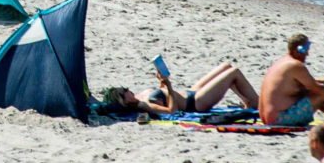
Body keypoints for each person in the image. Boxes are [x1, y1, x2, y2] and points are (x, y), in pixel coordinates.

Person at [258, 34, 324, 127]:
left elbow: (300, 83)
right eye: (306, 49)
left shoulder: (282, 62)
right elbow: (320, 90)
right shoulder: (296, 65)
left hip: (266, 117)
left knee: (313, 95)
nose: (307, 54)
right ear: (298, 50)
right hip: (279, 119)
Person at [100, 60, 258, 117]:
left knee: (227, 66)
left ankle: (247, 101)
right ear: (124, 100)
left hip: (191, 91)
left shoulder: (141, 96)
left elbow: (163, 96)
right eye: (125, 92)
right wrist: (168, 85)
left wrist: (161, 82)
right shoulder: (144, 104)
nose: (128, 90)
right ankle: (256, 103)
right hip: (196, 102)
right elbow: (172, 111)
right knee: (234, 73)